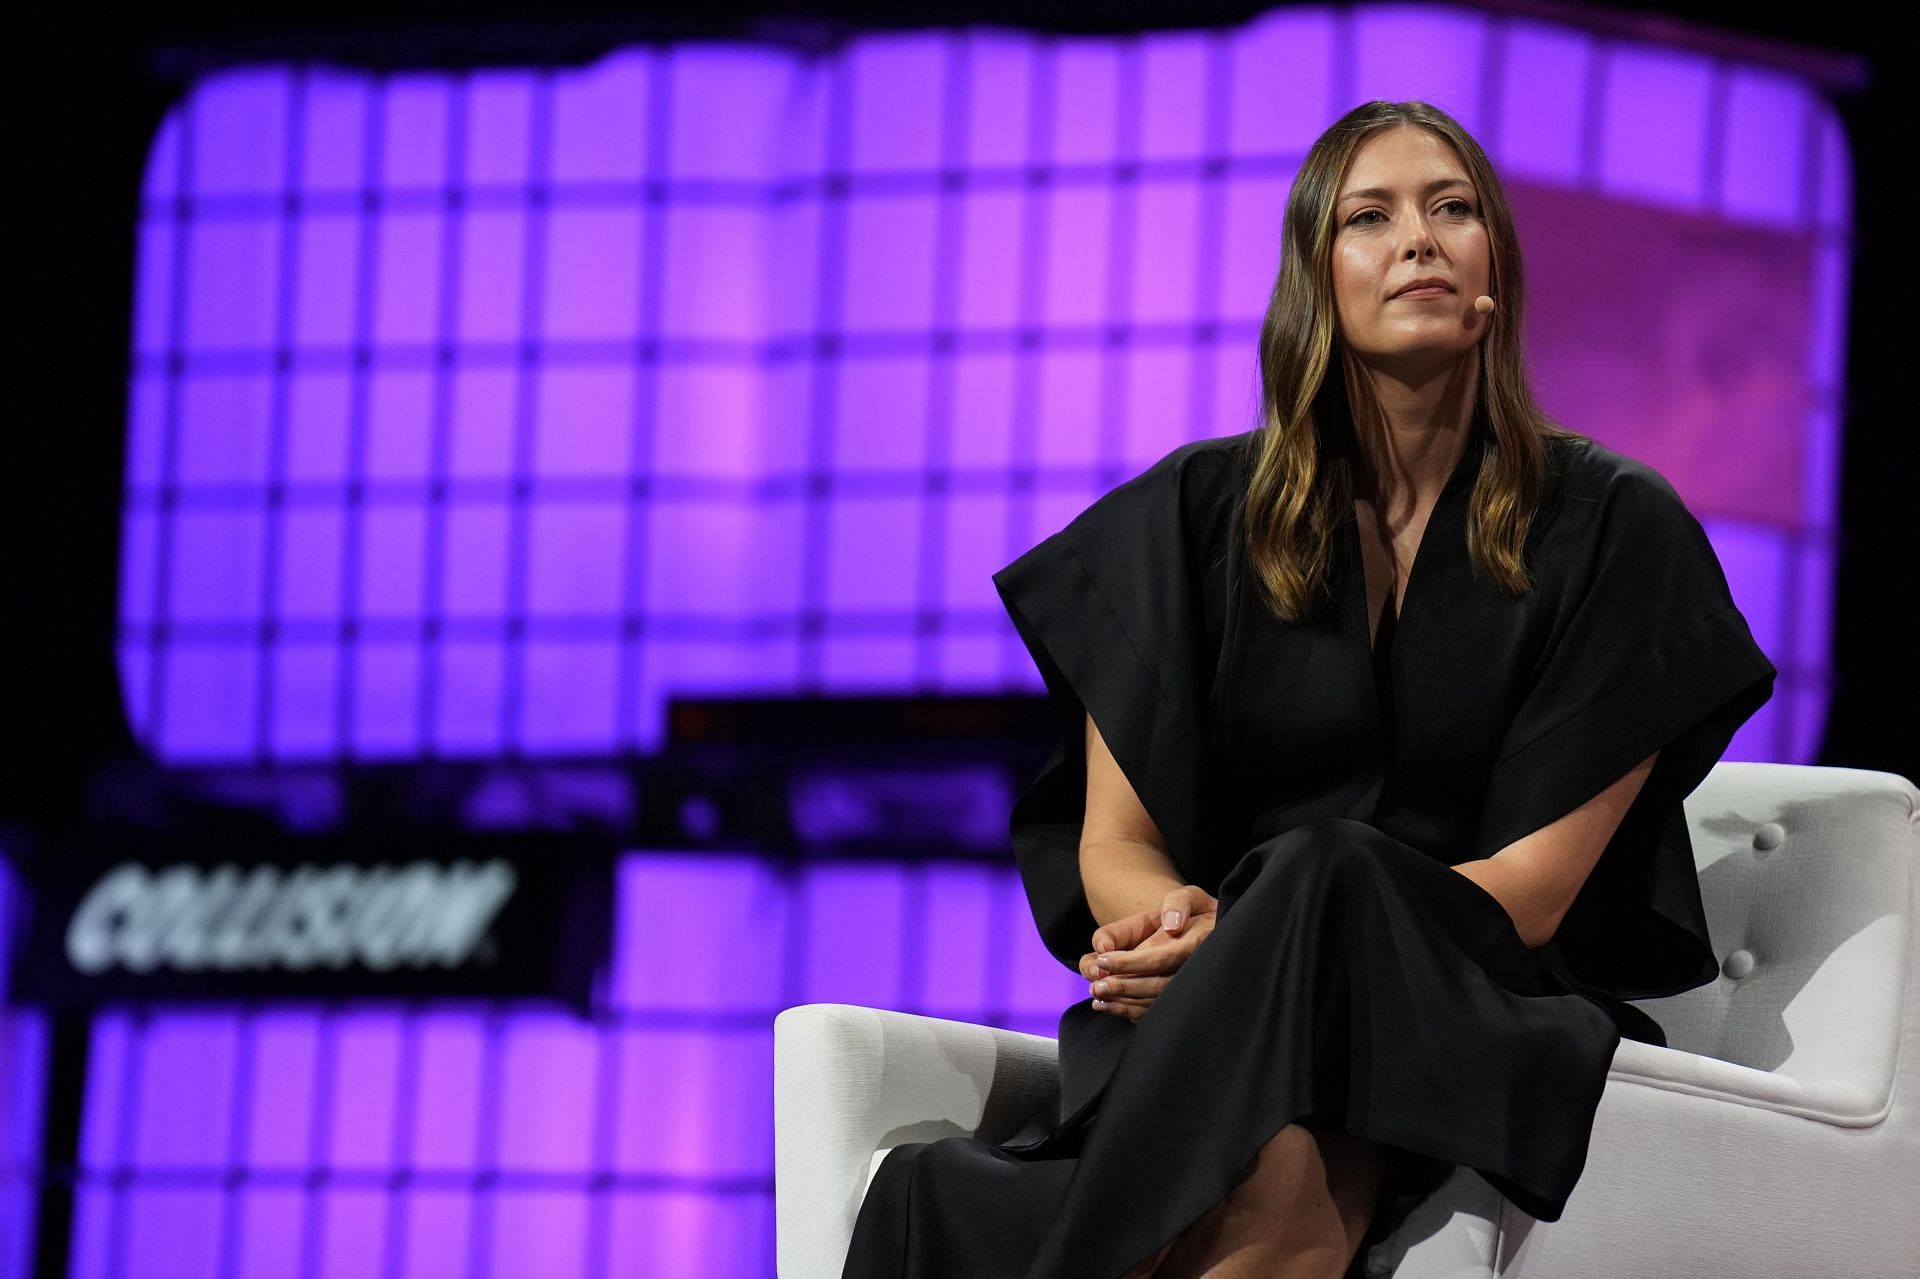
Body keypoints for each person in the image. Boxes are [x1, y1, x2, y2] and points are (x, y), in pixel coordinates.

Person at [840, 99, 1775, 1279]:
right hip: (1213, 1021)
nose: (1419, 240)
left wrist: (1274, 938)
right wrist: (1184, 932)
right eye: (1371, 218)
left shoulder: (1615, 530)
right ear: (1315, 280)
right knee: (1277, 1177)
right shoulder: (1186, 518)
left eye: (1452, 210)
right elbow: (1118, 847)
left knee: (1323, 864)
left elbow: (1528, 897)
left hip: (1463, 1013)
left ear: (1496, 267)